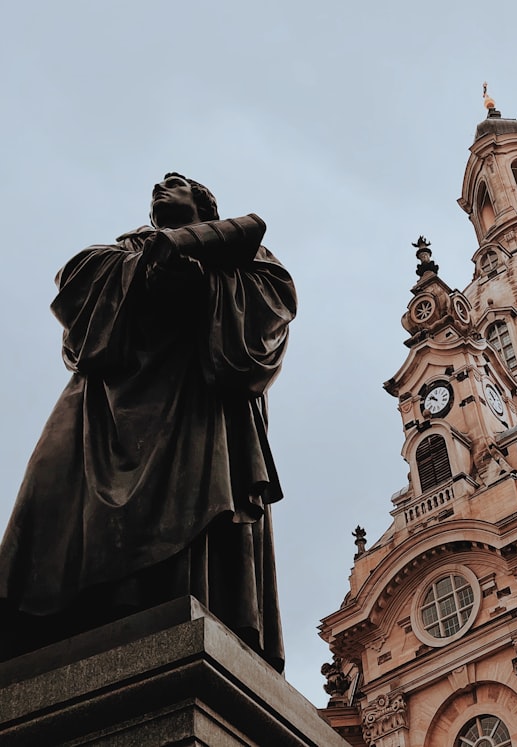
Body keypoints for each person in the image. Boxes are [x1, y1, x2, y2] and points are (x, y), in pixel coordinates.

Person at [0, 174, 296, 670]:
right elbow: (78, 294)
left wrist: (200, 274)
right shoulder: (118, 254)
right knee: (50, 495)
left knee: (190, 510)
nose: (161, 187)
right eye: (158, 185)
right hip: (106, 407)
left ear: (203, 203)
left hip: (195, 401)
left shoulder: (248, 257)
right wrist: (151, 265)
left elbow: (270, 310)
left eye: (175, 183)